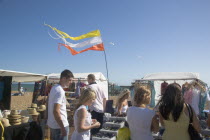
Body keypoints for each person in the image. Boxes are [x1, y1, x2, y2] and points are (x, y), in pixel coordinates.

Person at [47, 69, 74, 140]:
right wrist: (62, 127)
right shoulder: (60, 91)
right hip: (60, 125)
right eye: (70, 80)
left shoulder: (54, 88)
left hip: (53, 124)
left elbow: (49, 103)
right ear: (64, 78)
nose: (71, 82)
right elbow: (56, 111)